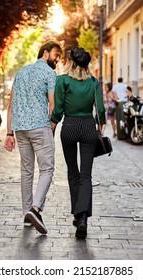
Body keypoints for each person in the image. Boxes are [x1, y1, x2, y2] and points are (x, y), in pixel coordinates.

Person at [4, 41, 62, 235]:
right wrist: (51, 129)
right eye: (56, 54)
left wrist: (9, 133)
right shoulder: (49, 73)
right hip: (39, 126)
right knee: (47, 168)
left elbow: (11, 104)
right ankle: (35, 209)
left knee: (26, 171)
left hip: (20, 129)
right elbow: (52, 105)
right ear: (45, 53)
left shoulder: (20, 72)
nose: (58, 59)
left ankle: (26, 214)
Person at [50, 46, 106, 239]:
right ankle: (82, 217)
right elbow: (99, 106)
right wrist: (102, 125)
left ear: (72, 63)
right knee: (86, 175)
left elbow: (57, 108)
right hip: (88, 126)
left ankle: (77, 212)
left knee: (73, 172)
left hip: (70, 126)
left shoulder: (62, 80)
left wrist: (53, 125)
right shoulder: (93, 81)